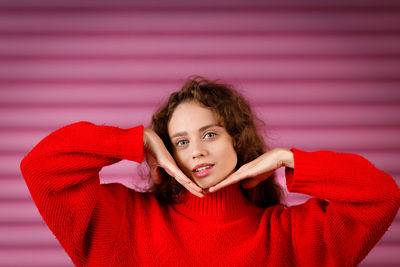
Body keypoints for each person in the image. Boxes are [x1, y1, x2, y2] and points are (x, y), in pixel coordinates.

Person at [20, 76, 400, 266]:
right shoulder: (122, 222)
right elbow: (40, 167)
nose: (198, 151)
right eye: (181, 142)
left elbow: (381, 195)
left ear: (236, 139)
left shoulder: (290, 236)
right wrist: (137, 142)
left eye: (210, 134)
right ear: (168, 154)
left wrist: (287, 158)